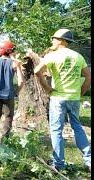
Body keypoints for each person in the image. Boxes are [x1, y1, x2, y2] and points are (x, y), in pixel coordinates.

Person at [32, 28, 91, 171]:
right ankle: (89, 161)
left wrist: (47, 88)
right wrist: (81, 93)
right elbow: (88, 76)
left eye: (54, 38)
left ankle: (58, 164)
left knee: (56, 130)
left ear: (61, 41)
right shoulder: (78, 56)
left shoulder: (53, 56)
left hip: (58, 98)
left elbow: (36, 71)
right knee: (77, 127)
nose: (52, 40)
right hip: (74, 98)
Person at [0, 40, 25, 146]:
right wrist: (16, 92)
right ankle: (5, 139)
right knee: (8, 116)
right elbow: (21, 81)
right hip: (9, 94)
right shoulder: (15, 63)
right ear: (10, 51)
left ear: (2, 50)